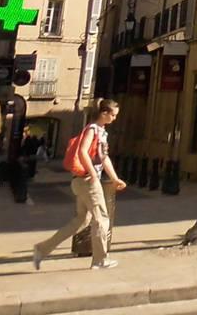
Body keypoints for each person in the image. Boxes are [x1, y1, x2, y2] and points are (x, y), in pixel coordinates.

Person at [34, 98, 127, 269]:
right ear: (104, 113)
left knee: (82, 220)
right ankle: (100, 259)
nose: (114, 118)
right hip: (88, 180)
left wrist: (114, 178)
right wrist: (92, 174)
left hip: (83, 180)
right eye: (112, 115)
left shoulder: (101, 131)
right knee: (102, 219)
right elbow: (83, 152)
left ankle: (42, 249)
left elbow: (104, 158)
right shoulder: (92, 129)